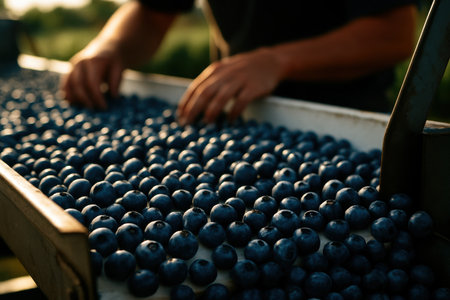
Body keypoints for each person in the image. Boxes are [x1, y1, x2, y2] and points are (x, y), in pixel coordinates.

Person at [61, 0, 418, 125]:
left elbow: (394, 32)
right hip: (236, 114)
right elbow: (152, 13)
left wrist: (278, 61)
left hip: (345, 125)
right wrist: (108, 46)